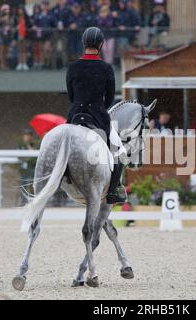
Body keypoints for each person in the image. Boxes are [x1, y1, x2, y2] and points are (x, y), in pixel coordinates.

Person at [66, 27, 126, 204]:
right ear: (101, 45)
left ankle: (63, 175)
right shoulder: (106, 68)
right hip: (98, 116)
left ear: (83, 43)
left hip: (75, 114)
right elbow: (109, 98)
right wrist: (98, 107)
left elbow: (71, 96)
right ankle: (113, 191)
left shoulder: (73, 67)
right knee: (119, 152)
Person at [17, 129, 37, 205]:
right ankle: (23, 201)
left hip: (32, 169)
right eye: (25, 135)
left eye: (28, 135)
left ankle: (33, 201)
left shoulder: (34, 144)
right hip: (23, 170)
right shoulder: (21, 145)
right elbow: (19, 157)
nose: (26, 137)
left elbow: (34, 158)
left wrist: (29, 146)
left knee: (32, 185)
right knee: (23, 184)